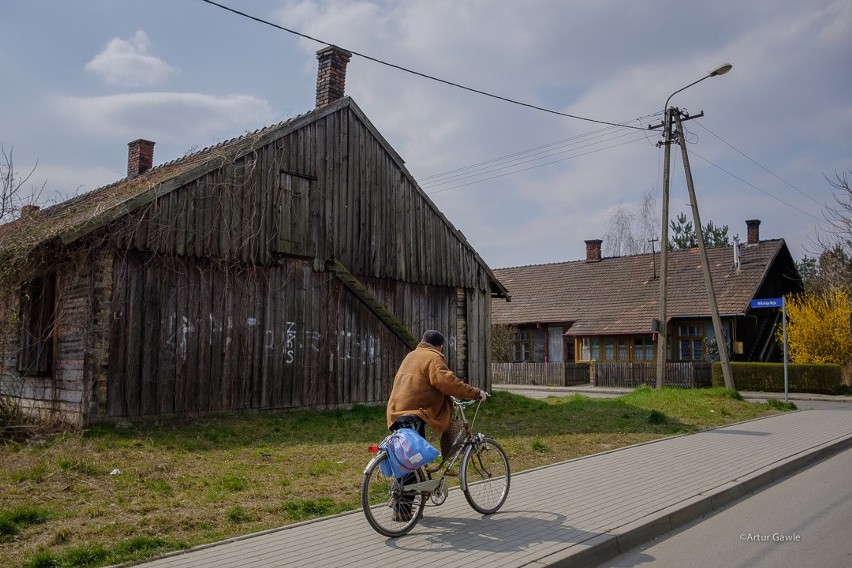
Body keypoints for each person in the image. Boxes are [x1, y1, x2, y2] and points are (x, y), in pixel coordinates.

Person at [385, 330, 487, 521]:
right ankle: (403, 510)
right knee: (412, 462)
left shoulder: (412, 355)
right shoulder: (433, 358)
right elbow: (448, 382)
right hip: (414, 413)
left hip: (395, 412)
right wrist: (475, 393)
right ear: (440, 346)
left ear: (422, 342)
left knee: (407, 459)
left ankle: (411, 505)